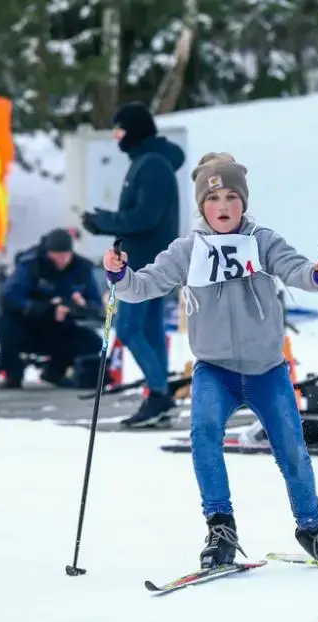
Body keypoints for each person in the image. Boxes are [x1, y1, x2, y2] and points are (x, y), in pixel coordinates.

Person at [102, 152, 318, 569]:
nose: (223, 206)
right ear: (202, 206)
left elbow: (296, 270)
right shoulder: (189, 249)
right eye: (213, 198)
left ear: (244, 201)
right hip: (215, 370)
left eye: (231, 197)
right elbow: (143, 284)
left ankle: (312, 529)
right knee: (204, 435)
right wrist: (119, 275)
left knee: (292, 447)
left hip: (266, 369)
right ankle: (220, 526)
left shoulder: (262, 240)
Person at [80, 101, 185, 427]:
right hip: (149, 258)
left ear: (135, 131)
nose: (116, 136)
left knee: (127, 327)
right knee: (150, 329)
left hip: (145, 263)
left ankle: (158, 394)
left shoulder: (152, 164)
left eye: (120, 129)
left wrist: (103, 221)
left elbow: (145, 217)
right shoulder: (148, 161)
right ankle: (160, 395)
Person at [0, 228, 103, 388]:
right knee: (4, 323)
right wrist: (46, 308)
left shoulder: (82, 268)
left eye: (65, 255)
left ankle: (54, 372)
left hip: (62, 327)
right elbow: (10, 297)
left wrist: (81, 306)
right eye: (56, 256)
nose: (61, 260)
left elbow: (96, 305)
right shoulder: (31, 265)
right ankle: (13, 374)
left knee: (93, 342)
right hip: (30, 324)